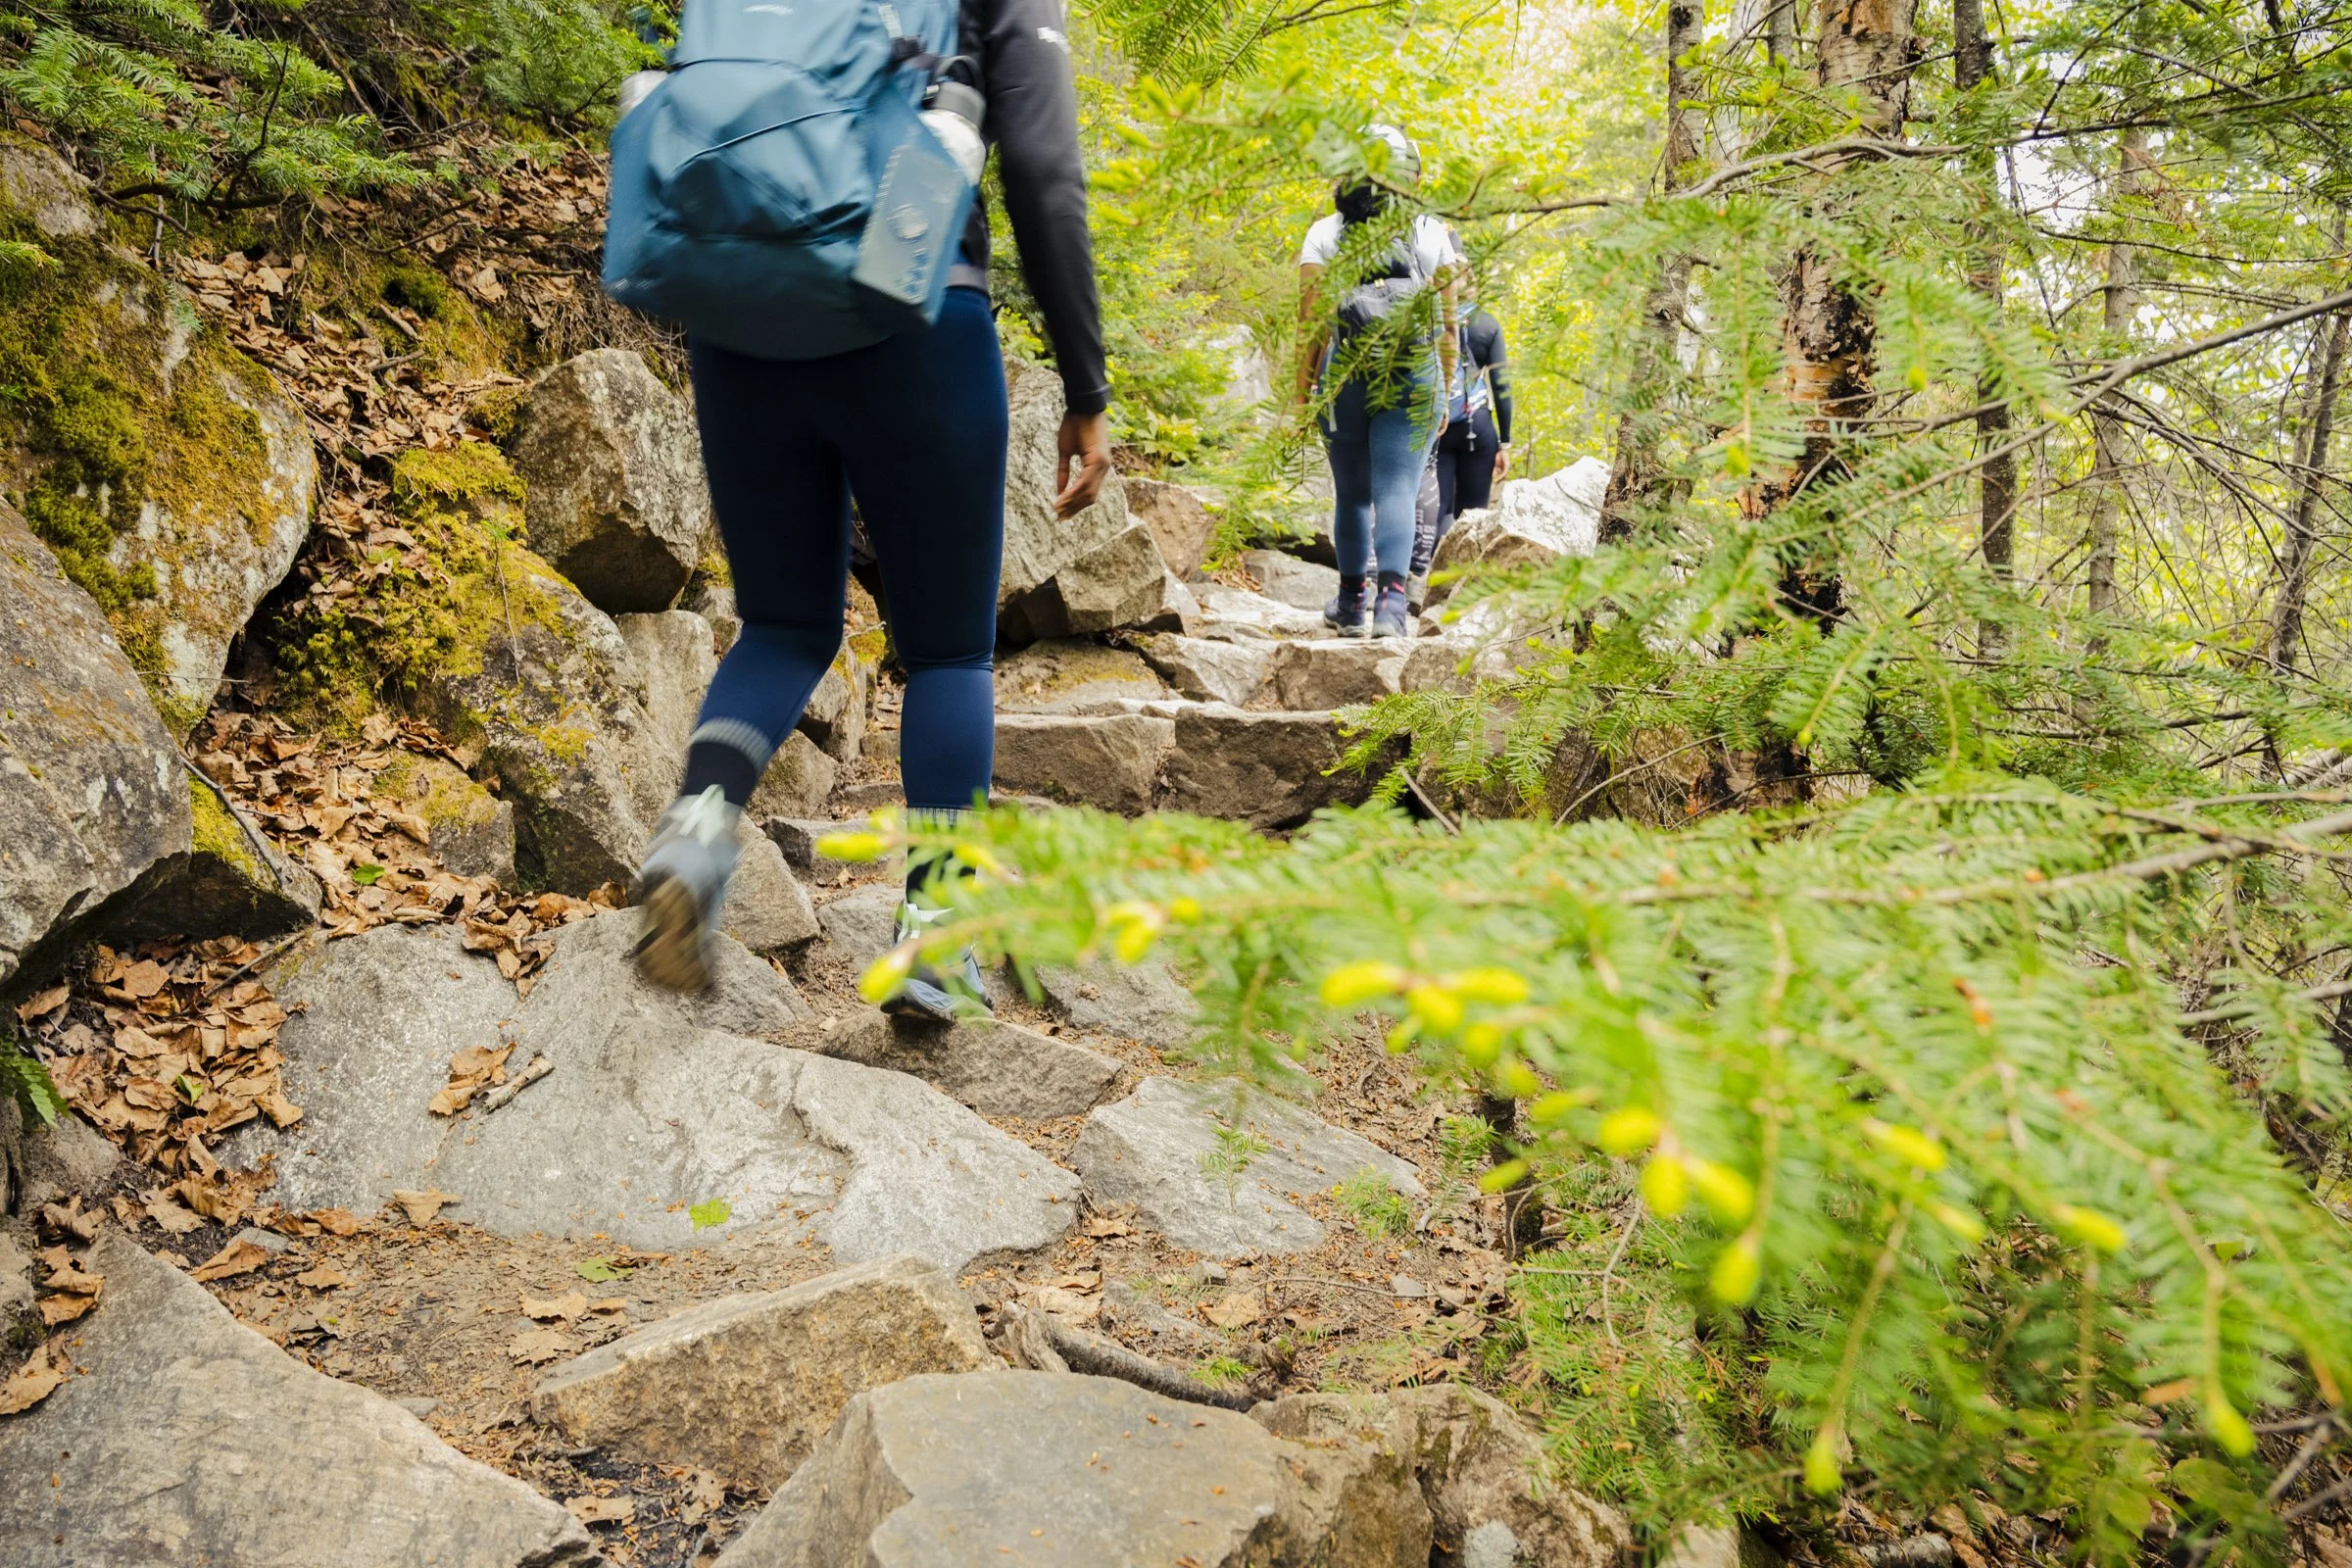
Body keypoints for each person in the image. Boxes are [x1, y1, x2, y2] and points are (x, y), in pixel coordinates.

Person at [631, 0, 1111, 1019]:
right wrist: (1085, 386)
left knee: (784, 623)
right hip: (914, 289)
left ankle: (696, 832)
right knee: (947, 652)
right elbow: (1040, 168)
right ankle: (937, 936)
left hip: (740, 309)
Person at [1295, 124, 1456, 639]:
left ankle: (1349, 603)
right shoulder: (1433, 232)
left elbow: (1311, 323)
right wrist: (1445, 388)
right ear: (1411, 175)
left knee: (1352, 493)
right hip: (1415, 377)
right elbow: (1450, 324)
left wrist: (1301, 397)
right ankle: (1390, 610)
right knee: (1399, 487)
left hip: (1345, 376)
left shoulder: (1325, 232)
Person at [1409, 250, 1511, 608]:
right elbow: (1501, 387)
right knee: (1474, 515)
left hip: (1435, 424)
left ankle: (1423, 587)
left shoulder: (1425, 320)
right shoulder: (1487, 324)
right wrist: (1506, 443)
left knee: (1438, 511)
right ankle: (1462, 598)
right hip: (1477, 428)